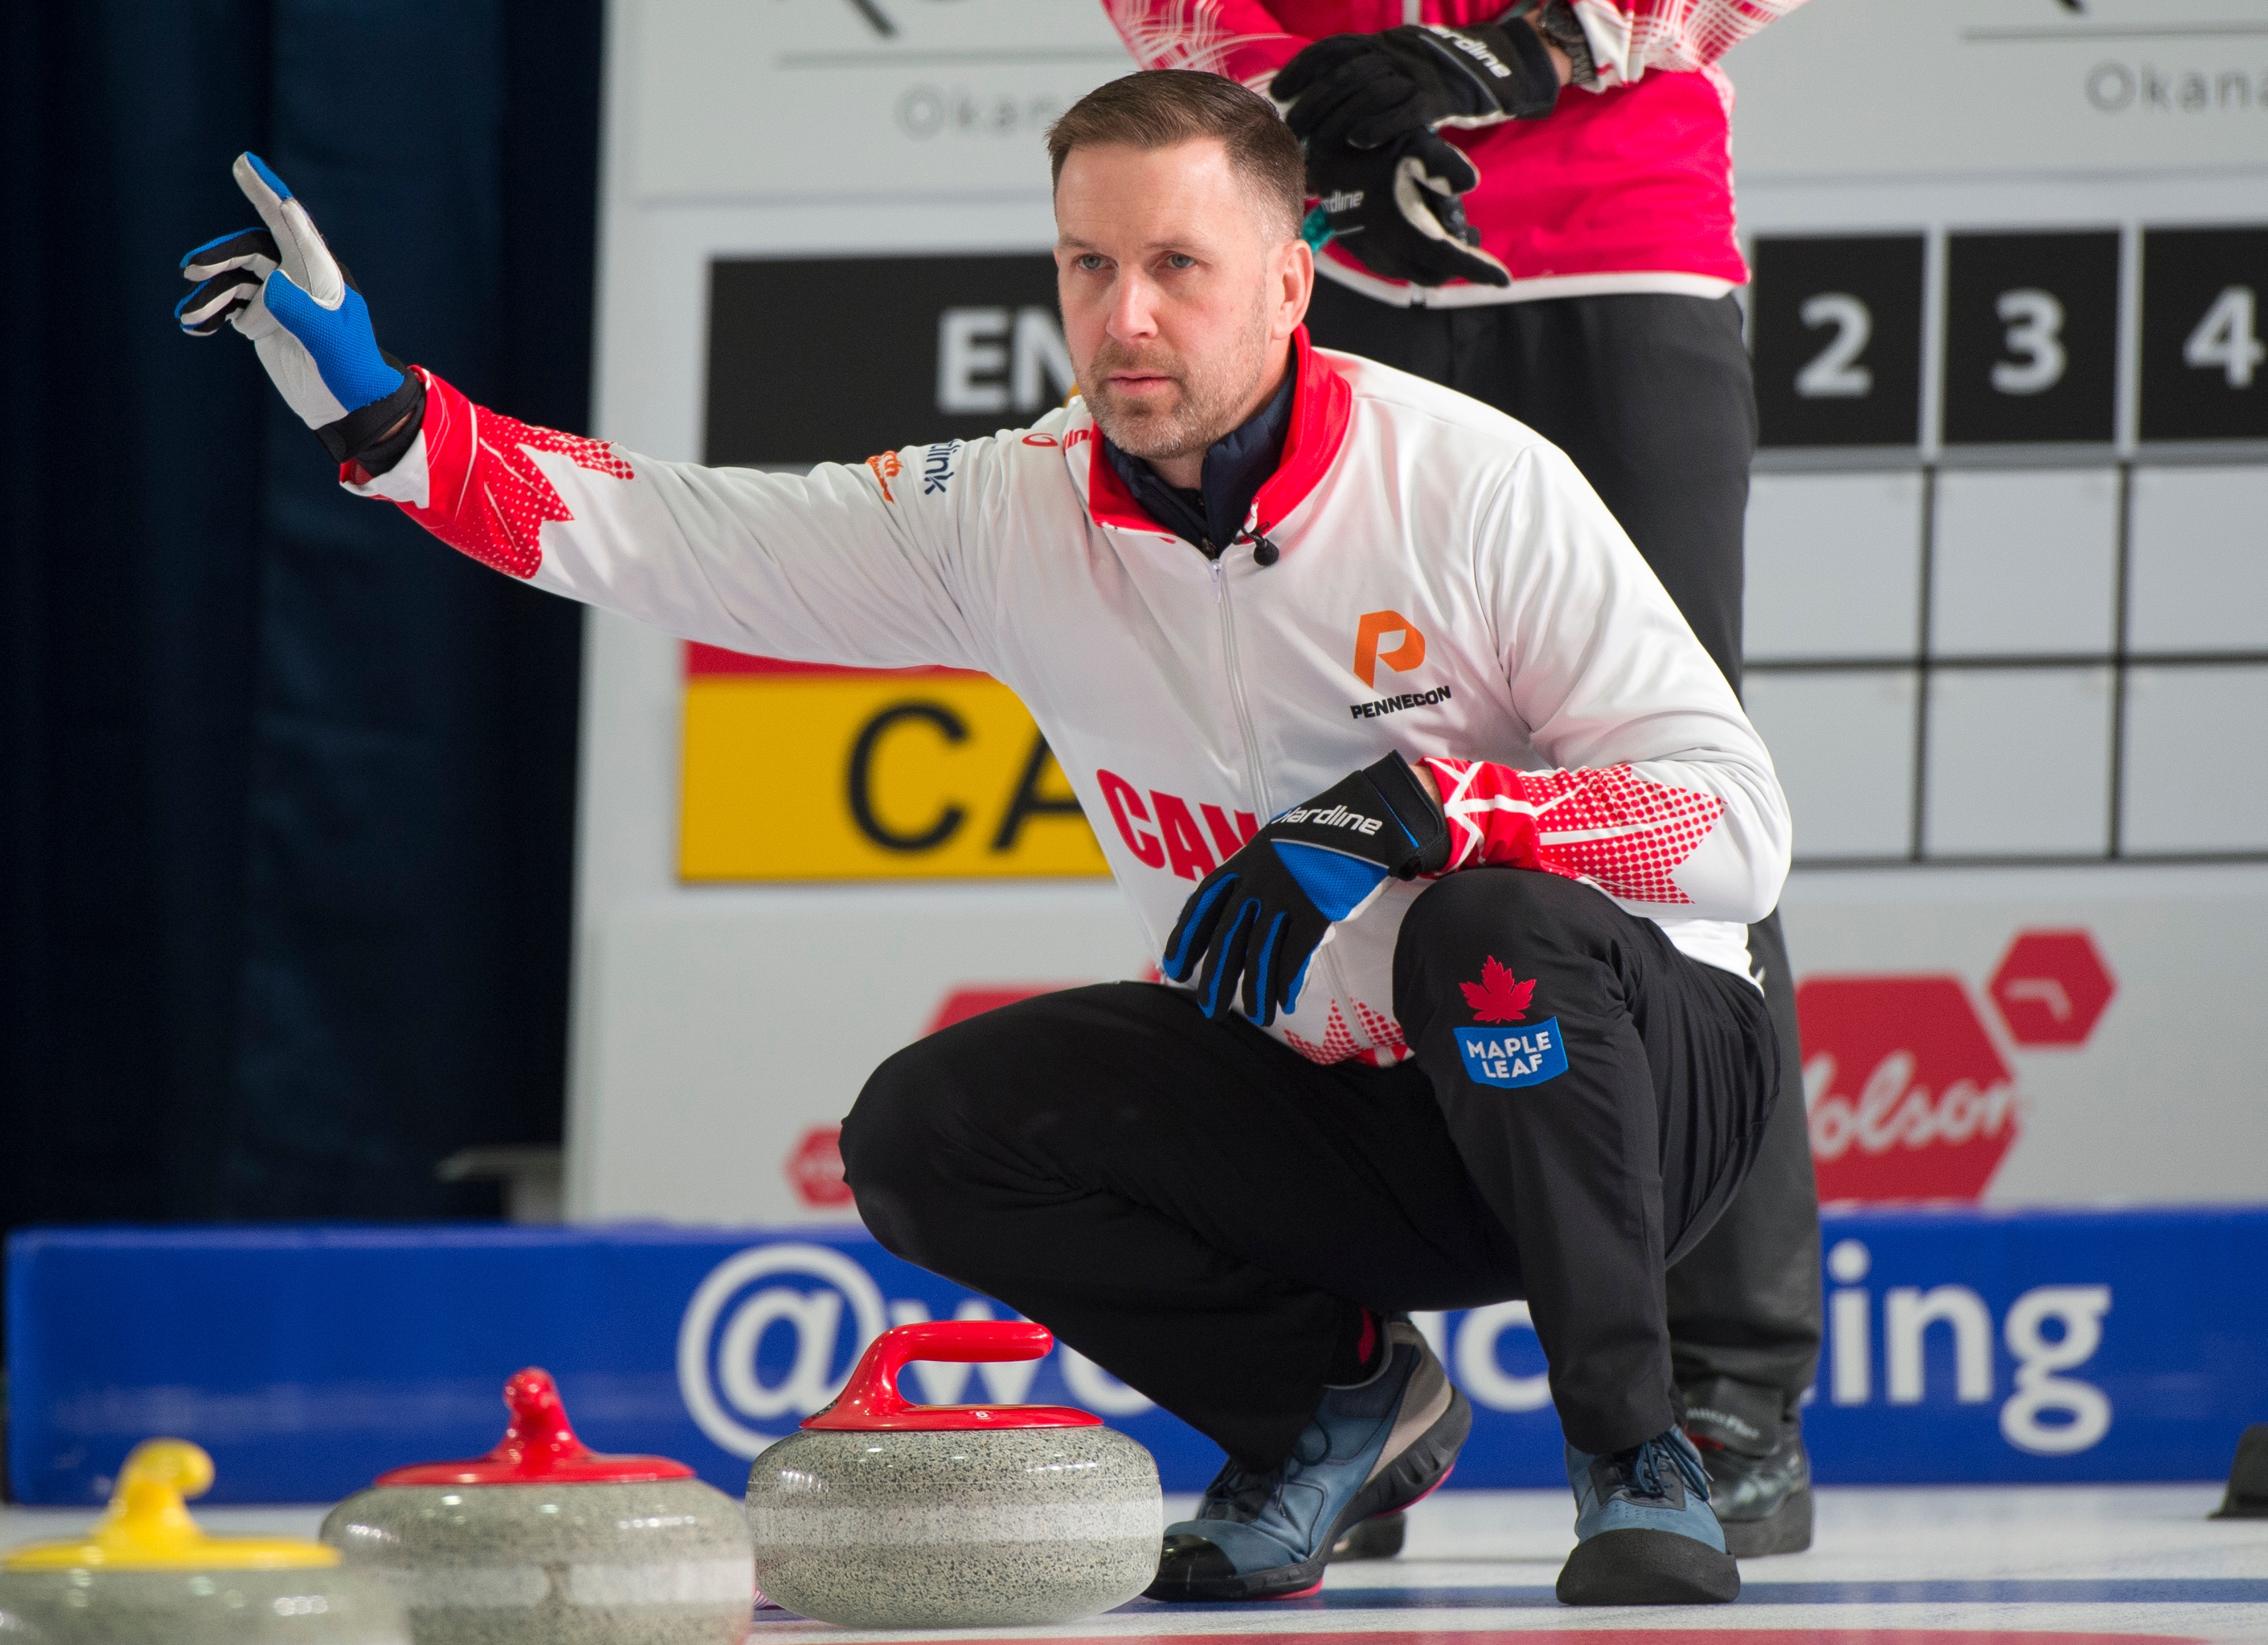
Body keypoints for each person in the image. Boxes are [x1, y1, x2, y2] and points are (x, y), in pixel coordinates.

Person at [175, 71, 1790, 1607]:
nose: (1125, 316)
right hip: (1360, 1116)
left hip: (1638, 1097)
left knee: (1482, 935)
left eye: (1177, 264)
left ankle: (1629, 1450)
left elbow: (1736, 836)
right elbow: (683, 536)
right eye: (1088, 264)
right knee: (930, 1129)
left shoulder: (1472, 487)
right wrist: (395, 427)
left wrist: (1435, 807)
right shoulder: (1003, 506)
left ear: (1293, 283)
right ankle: (1333, 1403)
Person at [1098, 0, 1823, 1557]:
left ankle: (1728, 1393)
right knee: (1309, 791)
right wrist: (1284, 108)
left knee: (1667, 799)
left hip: (1619, 237)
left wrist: (1523, 52)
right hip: (1326, 237)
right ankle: (1337, 1393)